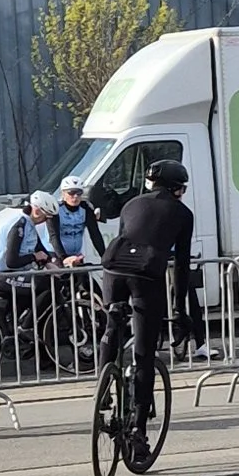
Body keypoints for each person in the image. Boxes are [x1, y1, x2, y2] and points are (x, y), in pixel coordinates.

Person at [99, 154, 203, 430]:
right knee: (144, 353)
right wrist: (180, 310)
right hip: (146, 274)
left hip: (113, 269)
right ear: (176, 188)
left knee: (113, 323)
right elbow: (182, 265)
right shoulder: (183, 214)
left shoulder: (131, 204)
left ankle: (103, 386)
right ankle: (139, 432)